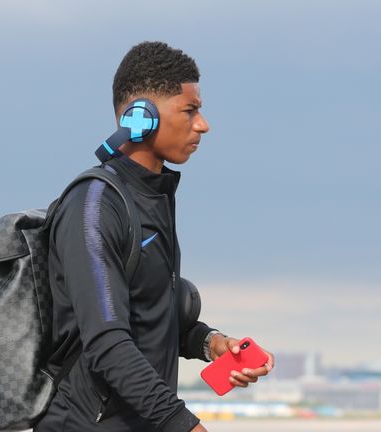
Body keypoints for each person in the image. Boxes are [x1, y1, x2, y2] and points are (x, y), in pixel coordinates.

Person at [34, 41, 274, 432]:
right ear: (141, 118)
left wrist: (211, 343)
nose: (203, 124)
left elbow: (148, 318)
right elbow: (108, 344)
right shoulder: (94, 205)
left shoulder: (151, 199)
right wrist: (185, 426)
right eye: (190, 110)